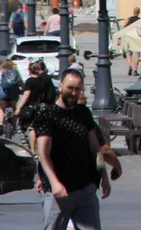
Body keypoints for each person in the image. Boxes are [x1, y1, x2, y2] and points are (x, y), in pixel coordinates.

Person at [35, 68, 120, 230]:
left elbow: (95, 148)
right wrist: (54, 183)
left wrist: (104, 177)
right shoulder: (47, 115)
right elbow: (43, 154)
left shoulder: (83, 113)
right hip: (59, 191)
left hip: (85, 188)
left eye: (77, 89)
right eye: (70, 88)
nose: (73, 93)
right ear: (60, 86)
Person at [15, 60, 56, 151]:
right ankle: (38, 148)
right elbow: (43, 95)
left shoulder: (30, 81)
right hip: (39, 106)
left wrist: (19, 108)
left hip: (29, 107)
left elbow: (26, 96)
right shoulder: (41, 81)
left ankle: (31, 149)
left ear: (30, 70)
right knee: (37, 127)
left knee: (27, 128)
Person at [0, 59, 23, 135]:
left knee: (1, 108)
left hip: (3, 93)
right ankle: (13, 124)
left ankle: (0, 123)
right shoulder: (16, 72)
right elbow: (21, 83)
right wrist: (24, 90)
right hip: (14, 93)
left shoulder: (1, 72)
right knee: (14, 108)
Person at [123, 8, 141, 76]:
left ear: (133, 12)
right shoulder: (140, 20)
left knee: (128, 54)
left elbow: (124, 26)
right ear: (139, 12)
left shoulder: (128, 19)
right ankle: (135, 70)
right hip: (136, 38)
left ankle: (130, 66)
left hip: (128, 38)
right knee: (136, 55)